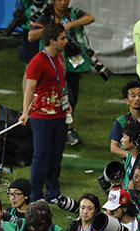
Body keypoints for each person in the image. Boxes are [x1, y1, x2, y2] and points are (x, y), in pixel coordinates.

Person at [27, 0, 95, 146]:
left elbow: (90, 18)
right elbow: (31, 36)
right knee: (62, 97)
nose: (64, 2)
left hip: (72, 64)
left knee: (72, 98)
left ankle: (63, 130)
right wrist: (51, 30)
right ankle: (67, 130)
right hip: (52, 65)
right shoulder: (46, 15)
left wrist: (68, 25)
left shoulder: (73, 13)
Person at [19, 23, 69, 202]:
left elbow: (61, 84)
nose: (65, 41)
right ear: (52, 41)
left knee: (56, 155)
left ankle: (53, 192)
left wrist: (66, 104)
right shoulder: (38, 61)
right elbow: (29, 88)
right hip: (42, 118)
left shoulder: (59, 57)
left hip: (59, 115)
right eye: (62, 38)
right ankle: (35, 195)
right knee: (41, 156)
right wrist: (26, 112)